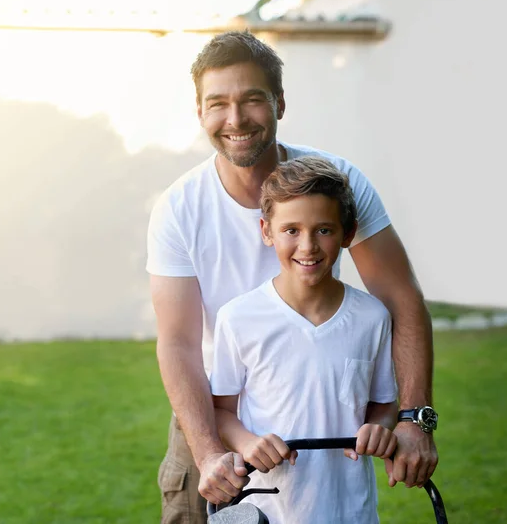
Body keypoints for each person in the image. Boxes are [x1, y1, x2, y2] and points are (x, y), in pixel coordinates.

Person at [147, 31, 438, 523]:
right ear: (200, 112)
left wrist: (411, 419)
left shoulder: (336, 182)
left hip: (322, 414)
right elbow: (177, 344)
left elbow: (400, 298)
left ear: (280, 102)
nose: (235, 119)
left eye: (252, 100)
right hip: (218, 408)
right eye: (217, 103)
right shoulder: (179, 209)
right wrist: (208, 454)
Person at [210, 156, 398, 524]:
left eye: (324, 230)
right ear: (267, 231)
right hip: (268, 510)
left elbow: (384, 404)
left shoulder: (372, 317)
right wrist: (248, 443)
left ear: (347, 233)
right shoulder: (238, 318)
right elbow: (220, 410)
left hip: (351, 510)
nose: (308, 245)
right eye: (291, 230)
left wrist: (380, 428)